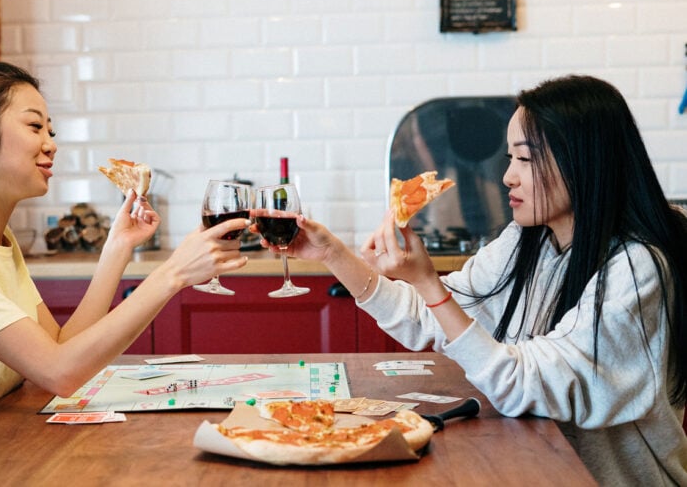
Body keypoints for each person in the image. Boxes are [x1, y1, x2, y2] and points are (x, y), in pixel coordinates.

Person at [262, 75, 687, 486]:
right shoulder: (529, 239)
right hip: (537, 467)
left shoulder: (636, 267)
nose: (508, 177)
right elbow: (428, 320)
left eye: (525, 159)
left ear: (582, 161)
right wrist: (333, 254)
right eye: (510, 159)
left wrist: (430, 284)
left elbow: (524, 386)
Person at [0, 61, 250, 485]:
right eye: (34, 127)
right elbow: (60, 372)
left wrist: (117, 247)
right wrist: (171, 274)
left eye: (51, 131)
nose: (50, 144)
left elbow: (60, 347)